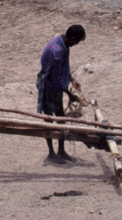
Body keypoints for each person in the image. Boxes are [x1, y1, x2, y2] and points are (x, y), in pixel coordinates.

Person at [36, 24, 85, 163]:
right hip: (49, 88)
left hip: (55, 86)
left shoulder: (61, 40)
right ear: (72, 38)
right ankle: (51, 153)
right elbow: (57, 80)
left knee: (61, 118)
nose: (76, 44)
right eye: (77, 41)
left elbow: (62, 68)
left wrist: (72, 79)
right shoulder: (57, 52)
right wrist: (70, 95)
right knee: (49, 120)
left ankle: (61, 151)